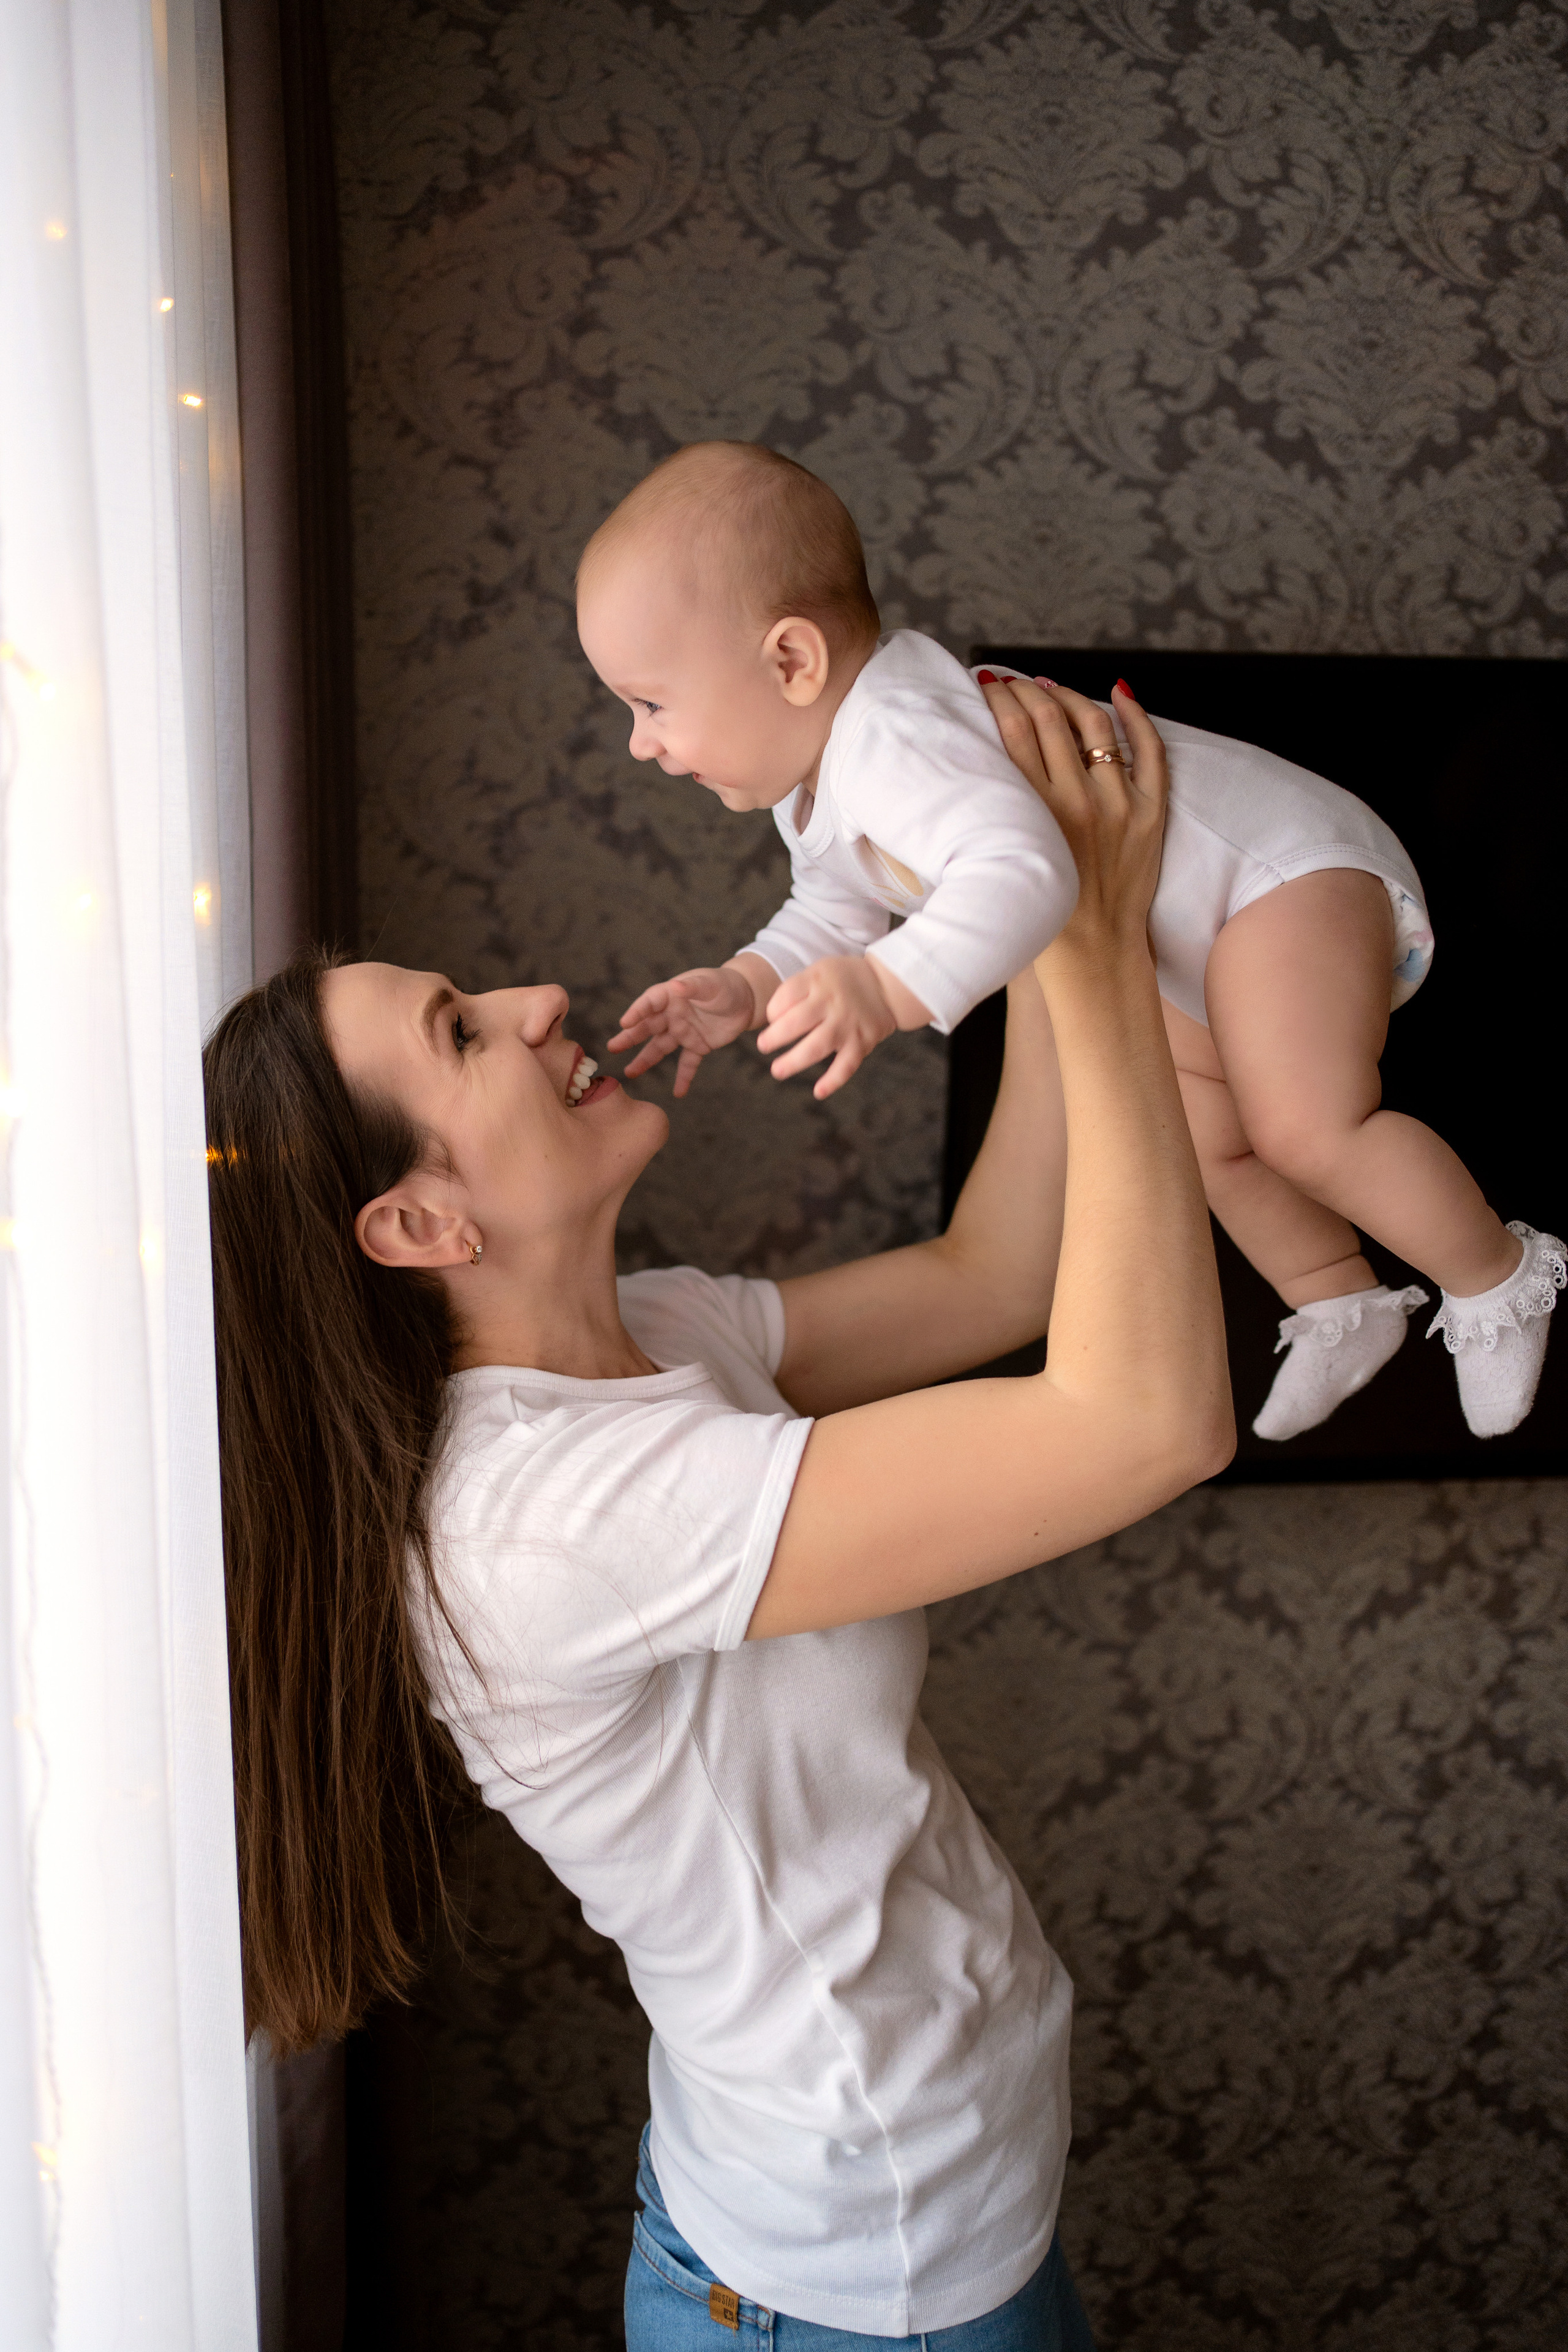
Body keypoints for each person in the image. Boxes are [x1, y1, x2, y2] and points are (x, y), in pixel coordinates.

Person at [205, 677, 1230, 2349]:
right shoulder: (544, 1519)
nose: (540, 998)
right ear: (417, 1228)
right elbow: (1149, 1425)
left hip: (908, 2206)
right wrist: (1100, 946)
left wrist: (1025, 886)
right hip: (857, 2287)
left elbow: (997, 1276)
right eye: (464, 1032)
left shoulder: (646, 1338)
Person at [577, 442, 1563, 1445]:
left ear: (792, 661)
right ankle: (1337, 1302)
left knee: (1307, 1127)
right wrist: (745, 986)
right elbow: (832, 913)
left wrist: (888, 988)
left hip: (1281, 875)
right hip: (1196, 937)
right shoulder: (823, 786)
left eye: (651, 702)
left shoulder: (896, 737)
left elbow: (1024, 873)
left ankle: (1496, 1276)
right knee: (1215, 1139)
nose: (640, 742)